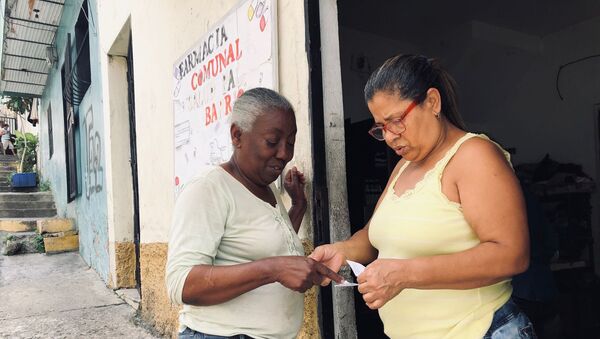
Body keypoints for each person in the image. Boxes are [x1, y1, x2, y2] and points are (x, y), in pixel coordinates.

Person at [310, 54, 535, 338]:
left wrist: (404, 274)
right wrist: (342, 251)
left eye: (396, 121)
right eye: (381, 127)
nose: (390, 137)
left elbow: (511, 255)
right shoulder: (404, 166)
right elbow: (374, 236)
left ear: (432, 102)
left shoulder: (474, 156)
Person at [166, 87, 342, 339]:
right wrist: (273, 270)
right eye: (272, 142)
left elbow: (274, 247)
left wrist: (299, 205)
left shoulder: (266, 189)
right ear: (237, 135)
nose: (284, 153)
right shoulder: (209, 189)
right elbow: (180, 283)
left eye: (290, 143)